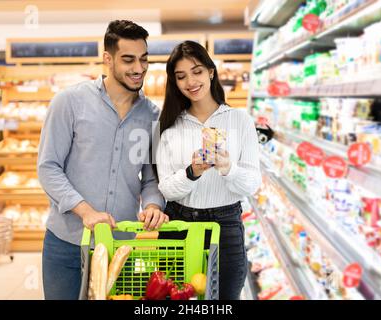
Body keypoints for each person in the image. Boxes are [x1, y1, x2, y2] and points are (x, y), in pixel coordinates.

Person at [38, 20, 168, 300]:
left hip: (122, 243)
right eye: (128, 60)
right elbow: (48, 167)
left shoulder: (152, 116)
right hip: (67, 243)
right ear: (107, 58)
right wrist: (86, 212)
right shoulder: (70, 102)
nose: (138, 68)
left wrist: (155, 205)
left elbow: (150, 177)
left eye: (144, 60)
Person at [156, 41, 261, 300]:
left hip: (225, 226)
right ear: (175, 82)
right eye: (181, 76)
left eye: (197, 71)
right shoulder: (169, 127)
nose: (191, 81)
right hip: (178, 224)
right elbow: (166, 188)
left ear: (211, 72)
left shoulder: (241, 121)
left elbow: (251, 184)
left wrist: (228, 169)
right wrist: (192, 171)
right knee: (172, 299)